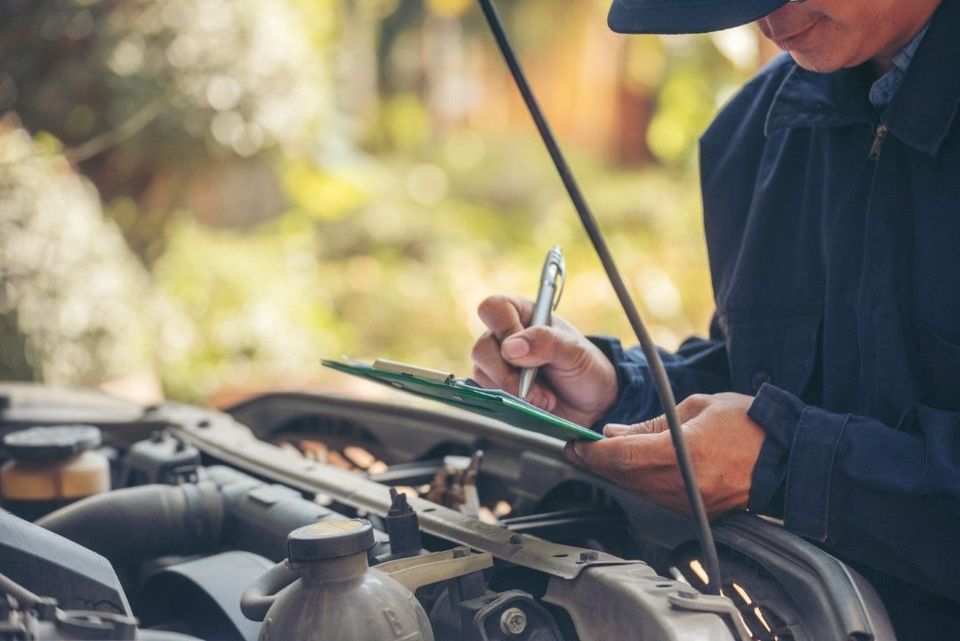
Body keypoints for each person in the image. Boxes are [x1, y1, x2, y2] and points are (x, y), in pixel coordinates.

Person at [470, 0, 960, 639]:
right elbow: (762, 377)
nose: (763, 16)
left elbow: (780, 440)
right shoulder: (755, 132)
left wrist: (784, 464)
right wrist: (620, 393)